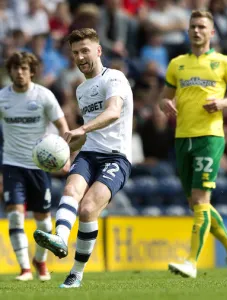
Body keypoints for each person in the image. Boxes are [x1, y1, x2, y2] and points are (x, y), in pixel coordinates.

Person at [33, 28, 133, 288]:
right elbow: (86, 133)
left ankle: (76, 274)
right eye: (75, 52)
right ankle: (60, 239)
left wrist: (81, 129)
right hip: (89, 153)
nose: (80, 57)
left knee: (88, 209)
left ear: (98, 50)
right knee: (71, 188)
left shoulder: (114, 78)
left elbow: (112, 113)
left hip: (116, 157)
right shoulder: (81, 89)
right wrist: (63, 148)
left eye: (85, 50)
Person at [159, 10, 227, 279]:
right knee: (196, 203)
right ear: (188, 31)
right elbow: (164, 98)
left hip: (209, 137)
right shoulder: (177, 64)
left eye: (202, 27)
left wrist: (223, 103)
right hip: (182, 138)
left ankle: (191, 262)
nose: (196, 30)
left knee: (200, 200)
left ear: (211, 32)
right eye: (192, 26)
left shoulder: (224, 63)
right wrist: (165, 104)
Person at [0, 51, 69, 281]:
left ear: (32, 71)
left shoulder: (44, 96)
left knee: (43, 221)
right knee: (15, 216)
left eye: (24, 68)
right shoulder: (2, 98)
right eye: (15, 68)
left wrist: (66, 156)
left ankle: (39, 260)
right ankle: (25, 269)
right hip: (12, 165)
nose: (19, 72)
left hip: (39, 166)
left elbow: (63, 126)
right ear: (10, 71)